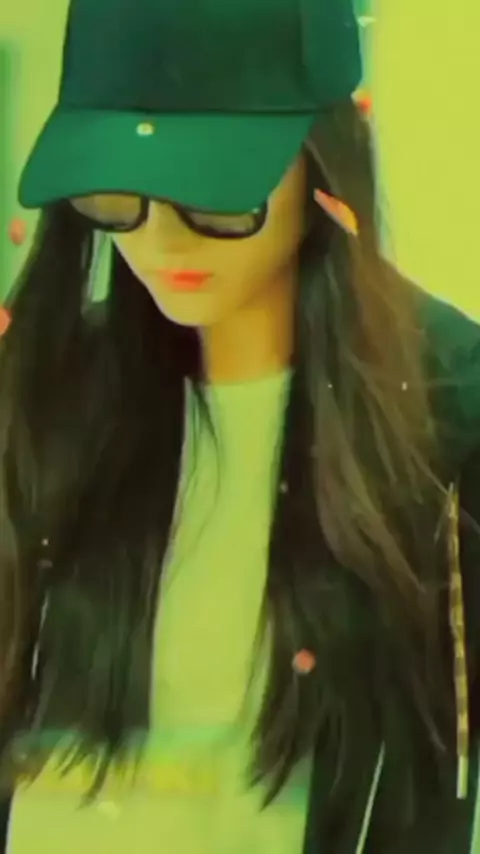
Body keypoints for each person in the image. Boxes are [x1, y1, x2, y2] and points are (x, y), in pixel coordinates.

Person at [1, 0, 480, 852]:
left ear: (324, 162)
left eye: (215, 196)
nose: (159, 238)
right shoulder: (51, 392)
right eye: (115, 196)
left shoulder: (449, 414)